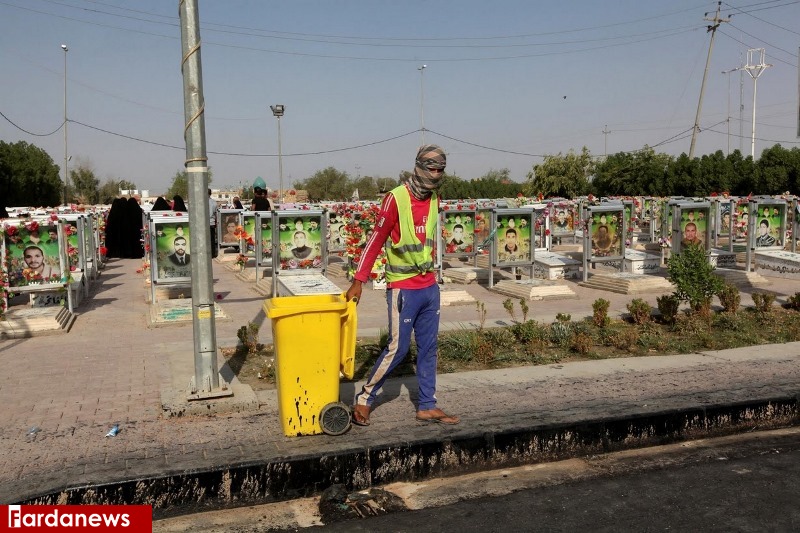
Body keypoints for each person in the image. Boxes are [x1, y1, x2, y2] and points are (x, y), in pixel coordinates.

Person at [346, 144, 459, 427]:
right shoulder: (395, 199)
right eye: (431, 168)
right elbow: (375, 239)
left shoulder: (434, 199)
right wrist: (359, 280)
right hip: (403, 288)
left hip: (429, 286)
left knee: (429, 347)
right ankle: (365, 398)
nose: (435, 174)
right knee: (397, 348)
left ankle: (427, 405)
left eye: (440, 170)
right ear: (418, 166)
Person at [208, 189, 218, 258]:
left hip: (203, 224)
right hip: (211, 222)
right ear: (210, 193)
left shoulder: (200, 202)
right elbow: (216, 213)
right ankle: (212, 254)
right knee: (212, 239)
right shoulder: (214, 202)